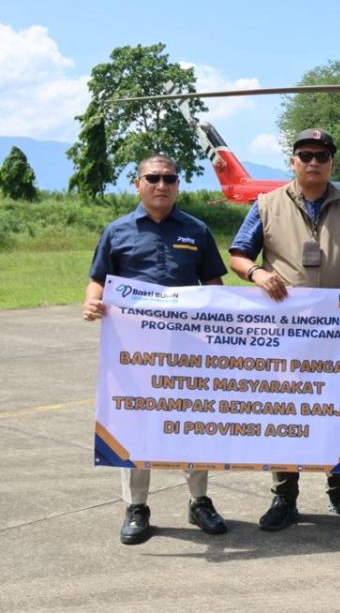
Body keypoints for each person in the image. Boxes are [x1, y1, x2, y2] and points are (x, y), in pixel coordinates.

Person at [228, 128, 340, 531]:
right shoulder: (266, 204)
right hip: (284, 331)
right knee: (287, 410)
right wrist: (258, 273)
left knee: (339, 408)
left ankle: (339, 489)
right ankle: (285, 495)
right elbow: (238, 254)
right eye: (306, 155)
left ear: (332, 162)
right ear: (293, 161)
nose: (314, 162)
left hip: (339, 332)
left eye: (322, 155)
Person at [83, 154, 229, 545]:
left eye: (169, 178)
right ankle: (137, 507)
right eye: (153, 178)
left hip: (187, 349)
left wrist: (222, 320)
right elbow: (98, 280)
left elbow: (214, 287)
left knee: (191, 423)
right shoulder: (117, 231)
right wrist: (91, 303)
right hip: (134, 352)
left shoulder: (197, 230)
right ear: (138, 184)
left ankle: (199, 501)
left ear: (178, 185)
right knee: (136, 424)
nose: (161, 185)